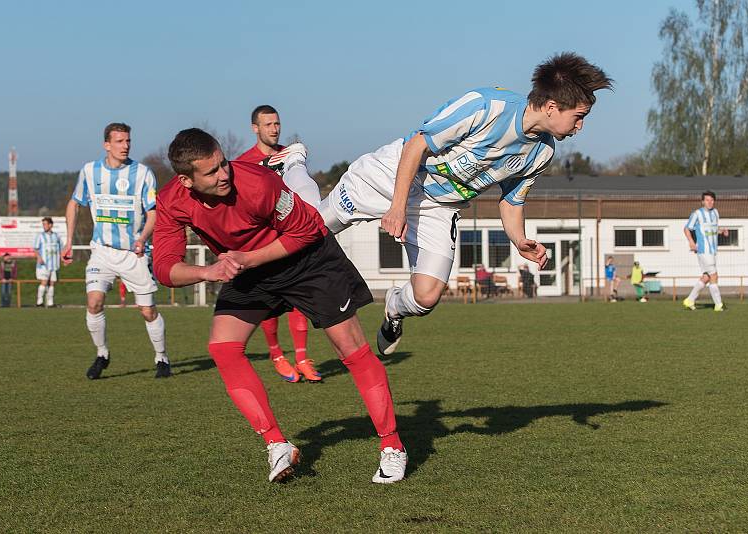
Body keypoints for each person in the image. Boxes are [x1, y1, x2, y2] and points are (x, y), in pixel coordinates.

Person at [152, 128, 406, 484]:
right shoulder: (170, 200)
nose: (224, 174)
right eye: (211, 172)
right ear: (186, 180)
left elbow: (308, 230)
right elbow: (164, 268)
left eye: (224, 163)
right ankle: (277, 444)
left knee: (351, 349)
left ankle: (392, 447)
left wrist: (248, 260)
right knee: (223, 348)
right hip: (248, 268)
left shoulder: (256, 182)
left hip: (307, 259)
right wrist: (209, 271)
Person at [317, 52, 612, 355]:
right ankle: (293, 169)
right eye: (579, 117)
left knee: (426, 297)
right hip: (393, 175)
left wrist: (519, 240)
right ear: (552, 107)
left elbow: (511, 202)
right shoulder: (486, 106)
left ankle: (394, 308)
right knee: (309, 230)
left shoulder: (542, 153)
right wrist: (397, 206)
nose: (580, 128)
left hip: (440, 206)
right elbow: (417, 143)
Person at [62, 122, 171, 379]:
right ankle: (102, 354)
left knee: (147, 311)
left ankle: (161, 357)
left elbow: (153, 212)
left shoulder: (143, 173)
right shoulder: (90, 171)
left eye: (128, 141)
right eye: (120, 141)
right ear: (107, 145)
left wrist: (143, 237)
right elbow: (74, 204)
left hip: (134, 254)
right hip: (102, 251)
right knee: (94, 302)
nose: (125, 146)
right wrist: (68, 241)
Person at [235, 105, 321, 383]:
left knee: (298, 301)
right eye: (268, 124)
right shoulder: (243, 162)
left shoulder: (291, 156)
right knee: (270, 303)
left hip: (292, 238)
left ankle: (302, 358)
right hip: (263, 242)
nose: (274, 128)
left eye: (277, 123)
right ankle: (277, 356)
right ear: (255, 128)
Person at [683, 190, 727, 311]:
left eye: (712, 200)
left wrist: (721, 231)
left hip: (713, 251)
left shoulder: (716, 213)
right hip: (703, 250)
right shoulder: (697, 214)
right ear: (702, 201)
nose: (710, 202)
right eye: (707, 200)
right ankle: (719, 304)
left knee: (706, 277)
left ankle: (690, 300)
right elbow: (687, 229)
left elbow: (712, 229)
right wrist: (691, 242)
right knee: (714, 275)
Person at [34, 217, 63, 307]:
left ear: (50, 225)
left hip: (54, 264)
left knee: (52, 283)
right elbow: (35, 248)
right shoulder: (40, 236)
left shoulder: (56, 236)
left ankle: (50, 302)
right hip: (44, 264)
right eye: (43, 224)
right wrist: (39, 257)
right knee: (44, 281)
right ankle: (39, 302)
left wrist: (63, 258)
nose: (44, 226)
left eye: (45, 224)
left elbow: (61, 248)